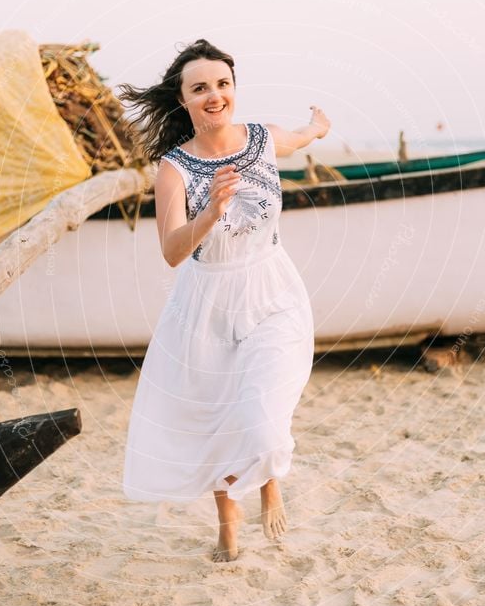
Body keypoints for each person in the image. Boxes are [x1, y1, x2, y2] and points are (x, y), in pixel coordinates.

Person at [119, 38, 330, 562]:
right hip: (208, 298)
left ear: (233, 89)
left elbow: (301, 138)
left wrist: (317, 126)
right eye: (200, 88)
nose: (214, 95)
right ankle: (229, 523)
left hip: (272, 288)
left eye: (222, 84)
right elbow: (171, 251)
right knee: (215, 414)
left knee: (262, 411)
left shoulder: (260, 140)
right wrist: (209, 214)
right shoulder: (174, 168)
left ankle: (269, 478)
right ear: (183, 100)